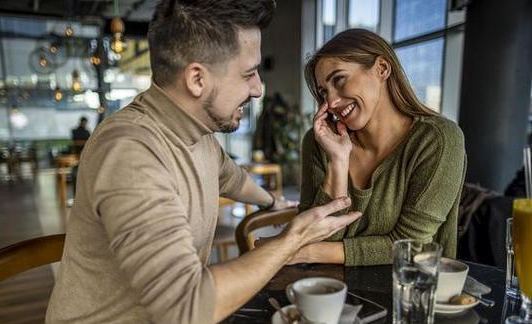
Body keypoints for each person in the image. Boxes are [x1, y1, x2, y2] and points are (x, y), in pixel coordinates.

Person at [45, 1, 362, 323]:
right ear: (197, 78)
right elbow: (186, 307)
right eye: (249, 74)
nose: (258, 89)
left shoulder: (199, 135)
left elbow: (231, 177)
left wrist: (272, 201)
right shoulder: (129, 152)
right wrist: (293, 237)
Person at [296, 29, 466, 266]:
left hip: (411, 296)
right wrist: (338, 161)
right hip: (329, 292)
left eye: (339, 79)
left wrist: (310, 252)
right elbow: (311, 232)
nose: (331, 102)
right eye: (324, 92)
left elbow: (412, 246)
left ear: (382, 68)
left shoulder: (438, 139)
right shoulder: (320, 142)